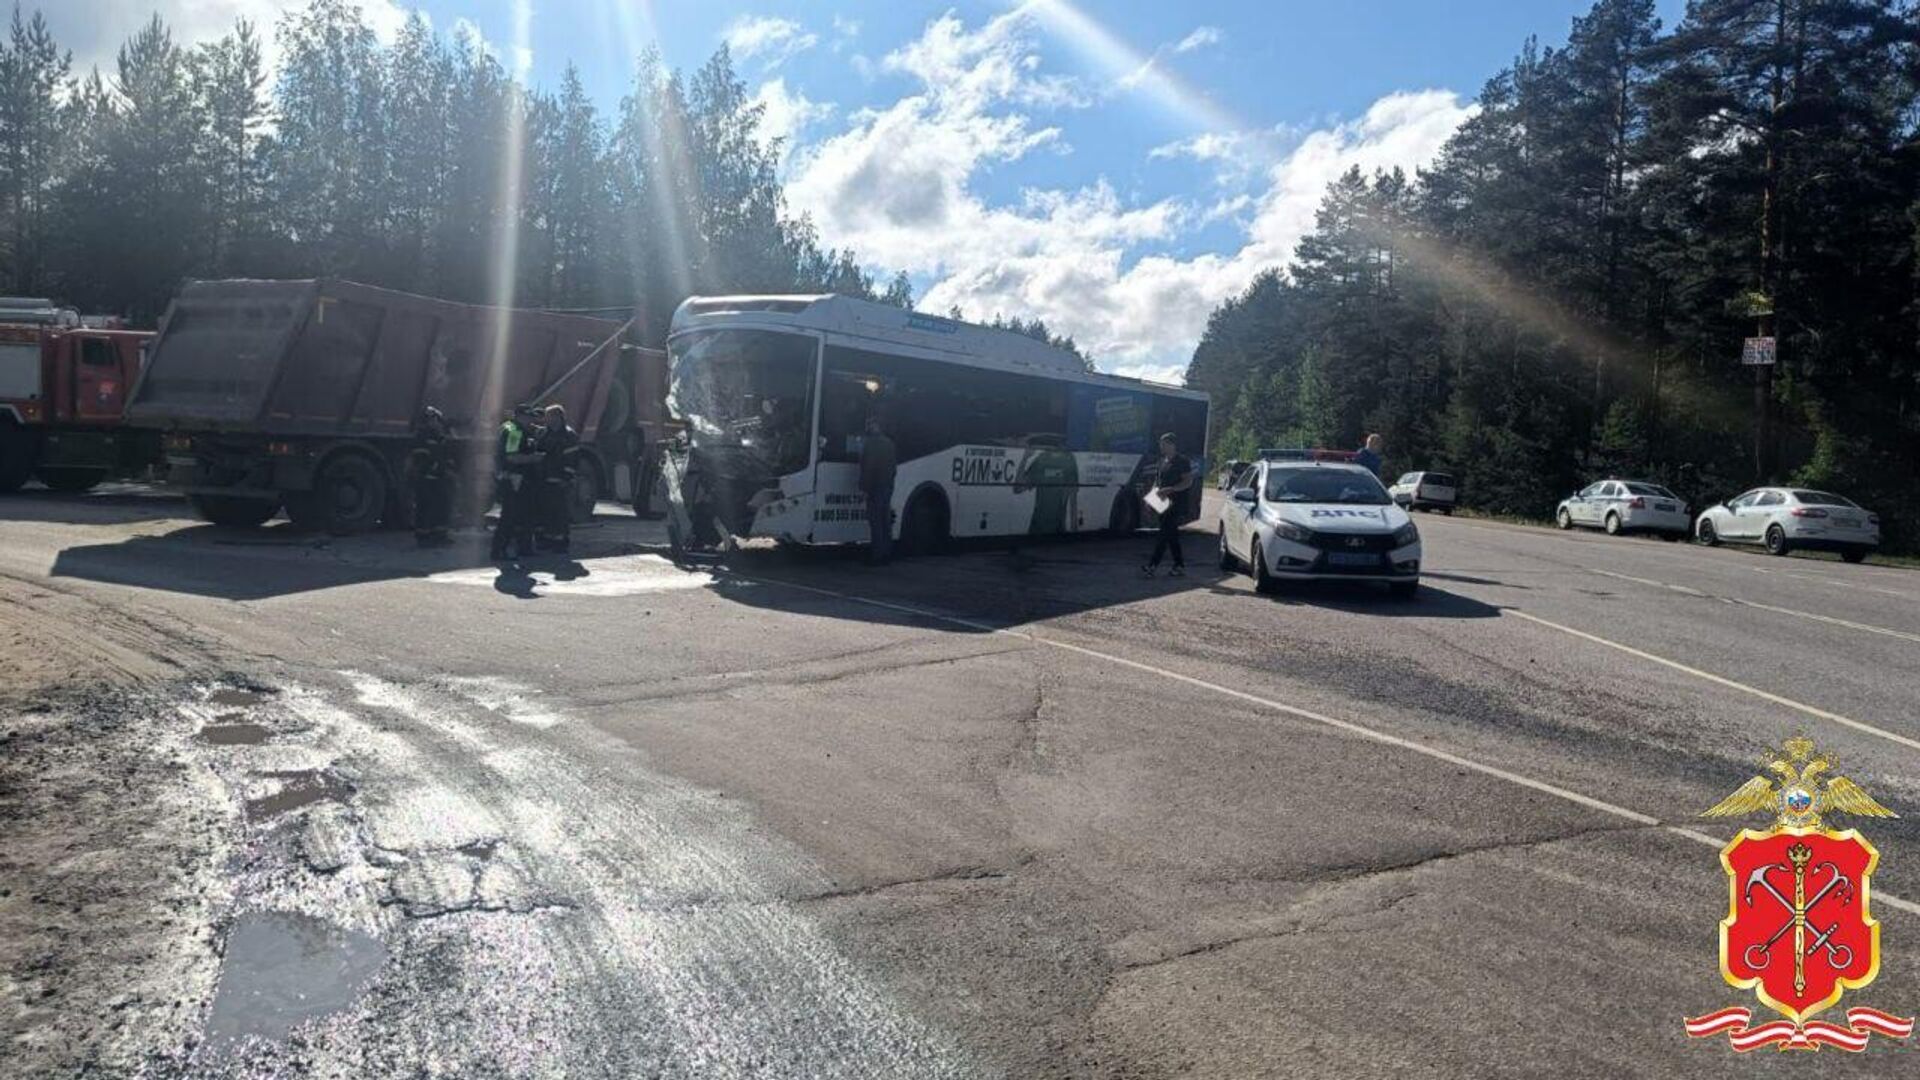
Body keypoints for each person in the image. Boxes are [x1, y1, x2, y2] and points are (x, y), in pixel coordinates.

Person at [489, 403, 543, 562]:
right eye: (528, 417)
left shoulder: (511, 427)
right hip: (515, 479)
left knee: (525, 515)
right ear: (520, 416)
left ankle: (524, 547)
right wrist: (534, 458)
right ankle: (499, 550)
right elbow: (511, 456)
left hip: (519, 479)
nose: (531, 421)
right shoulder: (514, 431)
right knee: (509, 516)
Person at [1143, 432, 1194, 577]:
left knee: (1164, 534)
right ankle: (1179, 565)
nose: (1161, 447)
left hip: (1176, 503)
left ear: (1172, 445)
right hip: (1162, 503)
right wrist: (1150, 500)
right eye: (1161, 444)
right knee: (1171, 536)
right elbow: (1157, 483)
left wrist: (1171, 489)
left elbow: (1188, 481)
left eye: (1164, 444)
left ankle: (1152, 566)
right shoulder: (1162, 461)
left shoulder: (1182, 461)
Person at [408, 406, 456, 548]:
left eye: (436, 420)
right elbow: (420, 458)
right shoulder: (422, 437)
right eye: (433, 420)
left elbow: (446, 455)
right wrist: (430, 469)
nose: (436, 423)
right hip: (426, 478)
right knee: (425, 508)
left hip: (439, 477)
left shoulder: (440, 436)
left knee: (442, 507)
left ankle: (439, 536)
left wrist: (449, 469)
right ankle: (423, 537)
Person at [535, 403, 580, 554]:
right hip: (544, 480)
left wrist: (566, 478)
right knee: (544, 512)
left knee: (560, 513)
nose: (547, 419)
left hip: (560, 480)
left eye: (550, 416)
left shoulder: (569, 436)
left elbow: (572, 460)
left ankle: (560, 542)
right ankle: (546, 540)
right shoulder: (543, 434)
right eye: (546, 417)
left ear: (559, 417)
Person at [858, 414, 897, 564]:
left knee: (875, 521)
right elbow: (893, 468)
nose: (868, 427)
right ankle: (887, 552)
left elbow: (869, 467)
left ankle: (877, 555)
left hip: (875, 487)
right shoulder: (889, 443)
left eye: (870, 424)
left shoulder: (871, 444)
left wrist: (864, 488)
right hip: (887, 485)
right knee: (884, 520)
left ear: (875, 426)